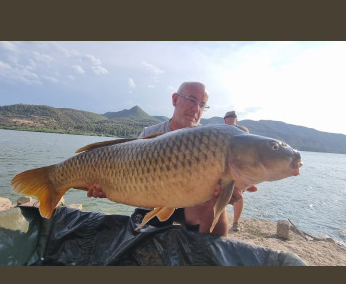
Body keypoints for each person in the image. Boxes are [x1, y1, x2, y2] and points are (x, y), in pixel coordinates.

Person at [88, 82, 253, 237]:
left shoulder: (211, 140)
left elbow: (236, 177)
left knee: (214, 203)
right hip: (152, 202)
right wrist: (106, 187)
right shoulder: (149, 134)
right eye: (192, 100)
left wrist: (229, 192)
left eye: (202, 104)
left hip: (190, 204)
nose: (196, 108)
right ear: (175, 99)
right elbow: (125, 174)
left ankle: (205, 254)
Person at [223, 110, 254, 232]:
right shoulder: (220, 131)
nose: (230, 123)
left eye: (232, 120)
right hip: (223, 168)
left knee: (238, 195)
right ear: (225, 120)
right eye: (228, 120)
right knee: (220, 194)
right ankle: (221, 218)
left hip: (239, 169)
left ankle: (235, 222)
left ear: (236, 120)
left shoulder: (242, 131)